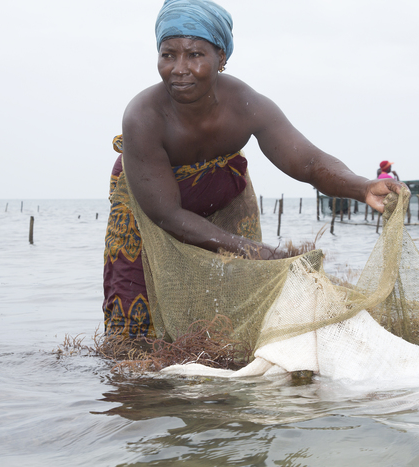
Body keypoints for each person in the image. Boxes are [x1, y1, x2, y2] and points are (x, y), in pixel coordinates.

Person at [103, 0, 402, 338]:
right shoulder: (143, 117)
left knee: (231, 306)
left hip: (223, 195)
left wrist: (361, 187)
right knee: (137, 315)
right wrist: (253, 250)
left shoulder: (246, 105)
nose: (179, 69)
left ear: (221, 57)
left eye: (195, 55)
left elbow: (308, 161)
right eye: (168, 55)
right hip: (149, 205)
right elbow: (167, 214)